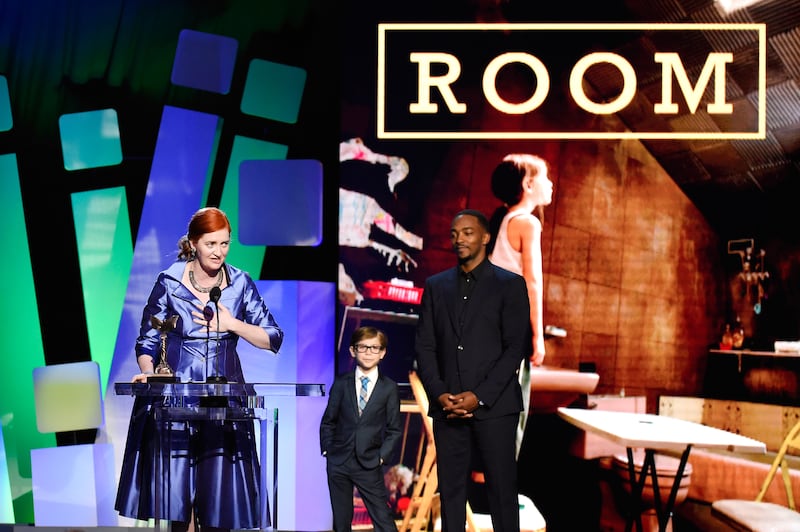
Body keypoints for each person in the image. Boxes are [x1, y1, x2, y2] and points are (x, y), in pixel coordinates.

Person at [114, 207, 284, 532]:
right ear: (193, 243)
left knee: (218, 504)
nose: (219, 252)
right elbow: (148, 341)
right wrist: (151, 372)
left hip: (225, 403)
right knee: (177, 507)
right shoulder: (169, 281)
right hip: (175, 400)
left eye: (225, 244)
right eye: (211, 244)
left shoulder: (240, 283)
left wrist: (232, 323)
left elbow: (273, 338)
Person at [415, 209, 532, 532]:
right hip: (448, 406)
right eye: (454, 234)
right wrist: (440, 394)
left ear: (485, 237)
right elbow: (424, 347)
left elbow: (515, 350)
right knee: (451, 493)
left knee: (502, 493)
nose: (459, 239)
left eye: (467, 232)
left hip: (495, 409)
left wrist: (478, 397)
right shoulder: (436, 287)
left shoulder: (510, 285)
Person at [488, 153, 554, 458]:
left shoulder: (501, 221)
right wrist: (537, 337)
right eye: (545, 177)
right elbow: (532, 283)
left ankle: (477, 498)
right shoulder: (527, 223)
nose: (550, 183)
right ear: (528, 184)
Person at [320, 326, 402, 532]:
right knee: (341, 521)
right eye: (363, 347)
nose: (368, 352)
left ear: (383, 353)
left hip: (369, 462)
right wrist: (327, 450)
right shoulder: (341, 383)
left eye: (374, 348)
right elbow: (329, 420)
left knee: (383, 521)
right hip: (338, 461)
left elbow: (394, 429)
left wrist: (381, 457)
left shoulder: (389, 387)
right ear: (352, 351)